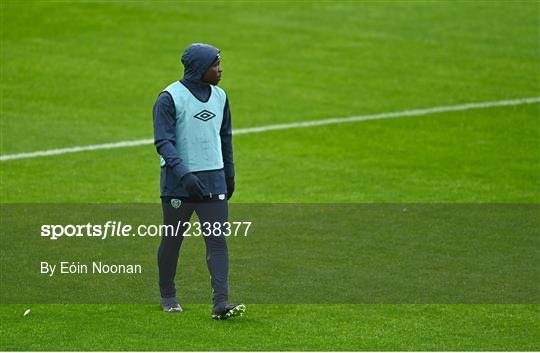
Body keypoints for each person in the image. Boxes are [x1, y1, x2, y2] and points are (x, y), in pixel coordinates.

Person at [152, 43, 245, 319]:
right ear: (200, 69)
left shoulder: (221, 96)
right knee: (173, 239)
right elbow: (163, 143)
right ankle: (168, 295)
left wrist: (229, 174)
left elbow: (224, 137)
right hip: (179, 183)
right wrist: (185, 175)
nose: (220, 69)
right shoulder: (169, 98)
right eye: (215, 65)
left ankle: (221, 302)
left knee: (217, 241)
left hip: (213, 180)